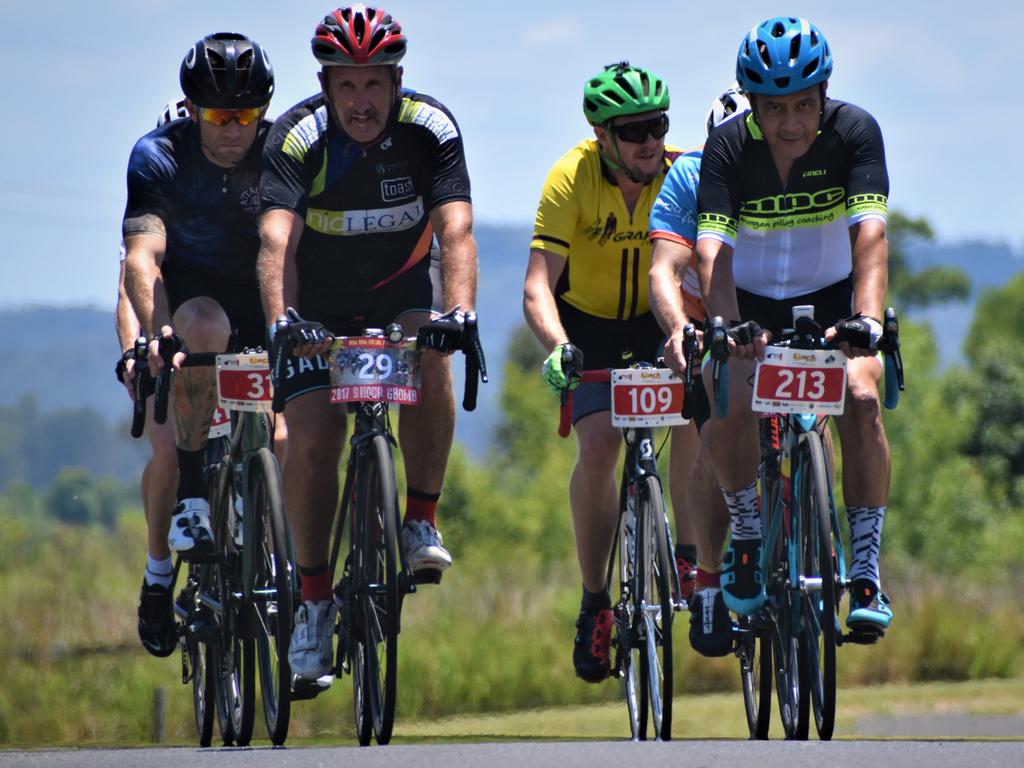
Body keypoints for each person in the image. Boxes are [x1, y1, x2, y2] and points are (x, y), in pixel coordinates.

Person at [257, 4, 479, 683]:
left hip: (400, 285)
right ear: (326, 85)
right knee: (316, 439)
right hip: (317, 301)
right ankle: (316, 602)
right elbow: (274, 241)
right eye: (346, 85)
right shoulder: (299, 136)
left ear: (397, 80)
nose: (361, 102)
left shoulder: (430, 129)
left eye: (374, 84)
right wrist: (283, 321)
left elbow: (457, 230)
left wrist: (462, 312)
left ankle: (419, 518)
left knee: (431, 347)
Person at [695, 17, 894, 641]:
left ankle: (864, 564)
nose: (790, 123)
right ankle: (748, 530)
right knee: (727, 390)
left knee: (863, 395)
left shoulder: (855, 132)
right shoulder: (727, 148)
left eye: (804, 105)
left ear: (824, 93)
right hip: (750, 301)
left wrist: (864, 319)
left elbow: (870, 234)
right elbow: (711, 250)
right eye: (774, 108)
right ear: (751, 103)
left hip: (835, 299)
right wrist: (726, 327)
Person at [522, 61, 701, 683]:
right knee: (597, 446)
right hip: (589, 326)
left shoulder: (682, 173)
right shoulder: (570, 179)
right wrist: (557, 346)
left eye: (657, 125)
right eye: (633, 131)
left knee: (696, 412)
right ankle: (596, 599)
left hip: (656, 321)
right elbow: (537, 287)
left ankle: (688, 558)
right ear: (602, 136)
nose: (650, 140)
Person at [122, 34, 276, 655]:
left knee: (283, 437)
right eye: (218, 114)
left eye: (246, 113)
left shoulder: (280, 152)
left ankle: (275, 565)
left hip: (258, 301)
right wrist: (151, 341)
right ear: (192, 110)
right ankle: (165, 562)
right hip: (182, 300)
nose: (234, 127)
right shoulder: (158, 157)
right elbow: (139, 262)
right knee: (198, 339)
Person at [647, 85, 749, 657]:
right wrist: (678, 330)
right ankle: (708, 575)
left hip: (763, 307)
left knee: (813, 405)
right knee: (712, 433)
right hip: (701, 314)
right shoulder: (689, 176)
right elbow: (666, 269)